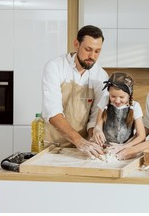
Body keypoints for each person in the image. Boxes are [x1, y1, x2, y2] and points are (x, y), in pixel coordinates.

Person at [41, 25, 109, 158]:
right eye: (88, 49)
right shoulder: (55, 67)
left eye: (97, 51)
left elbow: (96, 115)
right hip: (53, 147)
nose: (92, 56)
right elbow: (53, 113)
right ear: (76, 44)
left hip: (81, 150)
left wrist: (92, 136)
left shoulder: (100, 76)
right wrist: (79, 141)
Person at [91, 72, 146, 154]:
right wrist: (97, 130)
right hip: (106, 147)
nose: (117, 100)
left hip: (125, 148)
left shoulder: (135, 106)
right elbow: (98, 125)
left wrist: (123, 147)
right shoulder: (104, 101)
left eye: (121, 97)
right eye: (113, 96)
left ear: (129, 95)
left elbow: (141, 136)